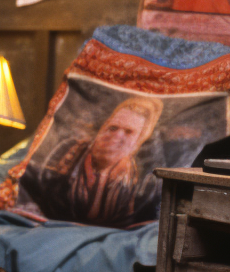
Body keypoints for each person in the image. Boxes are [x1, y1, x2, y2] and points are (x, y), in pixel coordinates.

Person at [26, 97, 164, 227]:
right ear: (102, 128)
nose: (116, 136)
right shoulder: (67, 150)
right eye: (113, 127)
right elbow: (42, 194)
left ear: (138, 142)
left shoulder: (141, 179)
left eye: (128, 132)